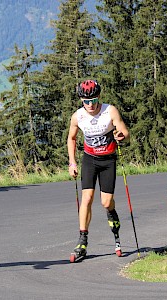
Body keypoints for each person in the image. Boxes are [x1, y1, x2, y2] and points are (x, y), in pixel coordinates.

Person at [67, 79, 129, 258]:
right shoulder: (77, 116)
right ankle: (82, 241)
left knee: (106, 202)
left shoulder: (110, 111)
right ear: (81, 100)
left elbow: (126, 134)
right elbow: (71, 138)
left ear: (99, 97)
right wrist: (72, 162)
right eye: (86, 101)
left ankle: (113, 217)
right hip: (89, 160)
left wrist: (121, 136)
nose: (90, 104)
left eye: (94, 100)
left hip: (108, 160)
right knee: (86, 198)